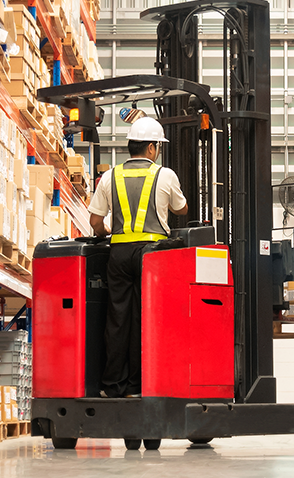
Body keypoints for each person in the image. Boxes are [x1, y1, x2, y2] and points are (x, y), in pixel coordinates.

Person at [87, 116, 188, 398]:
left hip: (118, 255)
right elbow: (181, 209)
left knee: (118, 318)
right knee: (148, 317)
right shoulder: (165, 175)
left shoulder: (110, 176)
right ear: (152, 148)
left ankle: (112, 386)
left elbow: (95, 221)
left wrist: (105, 232)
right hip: (152, 257)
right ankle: (141, 384)